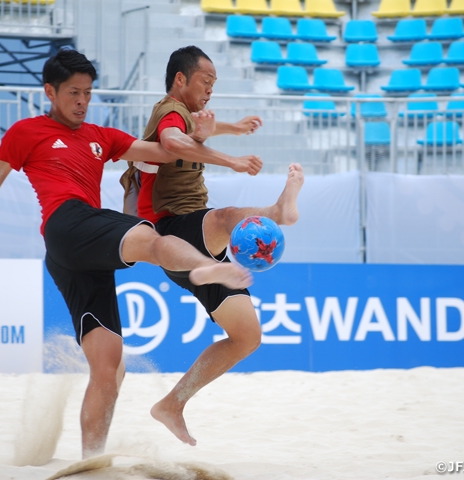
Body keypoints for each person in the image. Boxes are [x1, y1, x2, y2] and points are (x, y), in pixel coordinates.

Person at [0, 49, 262, 459]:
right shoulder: (25, 132)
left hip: (72, 257)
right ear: (49, 91)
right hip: (66, 221)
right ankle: (206, 268)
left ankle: (91, 461)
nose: (82, 102)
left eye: (88, 93)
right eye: (73, 93)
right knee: (152, 239)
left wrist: (203, 135)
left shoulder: (101, 137)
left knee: (109, 369)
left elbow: (165, 153)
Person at [121, 46, 305, 447]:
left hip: (196, 244)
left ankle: (172, 404)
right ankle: (278, 211)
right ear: (181, 79)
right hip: (170, 228)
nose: (210, 91)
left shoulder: (187, 115)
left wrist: (233, 128)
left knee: (247, 337)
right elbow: (174, 139)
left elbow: (197, 128)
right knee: (226, 217)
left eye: (215, 85)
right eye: (206, 82)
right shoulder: (167, 109)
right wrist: (233, 159)